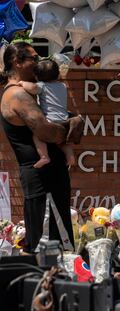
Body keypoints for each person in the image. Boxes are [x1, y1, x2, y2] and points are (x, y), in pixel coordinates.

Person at [0, 42, 74, 253]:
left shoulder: (31, 92)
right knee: (47, 246)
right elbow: (46, 132)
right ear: (17, 62)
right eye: (34, 58)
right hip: (42, 178)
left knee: (57, 244)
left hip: (48, 177)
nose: (39, 63)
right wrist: (70, 128)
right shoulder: (18, 95)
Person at [19, 59, 75, 168]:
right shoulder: (62, 86)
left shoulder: (42, 86)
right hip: (64, 120)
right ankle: (70, 155)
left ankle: (44, 156)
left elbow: (32, 88)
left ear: (37, 77)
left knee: (37, 136)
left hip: (50, 120)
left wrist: (22, 83)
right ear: (58, 74)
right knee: (63, 142)